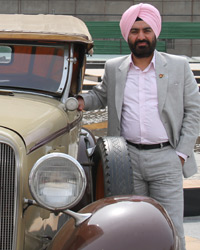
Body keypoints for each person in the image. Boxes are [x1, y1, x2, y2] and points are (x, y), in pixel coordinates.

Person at [77, 3, 200, 249]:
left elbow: (194, 111)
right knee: (131, 227)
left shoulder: (178, 66)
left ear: (155, 33)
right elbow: (99, 96)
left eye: (146, 30)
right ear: (127, 35)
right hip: (127, 160)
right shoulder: (115, 68)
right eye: (134, 31)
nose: (141, 36)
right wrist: (78, 100)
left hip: (167, 158)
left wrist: (181, 155)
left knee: (171, 227)